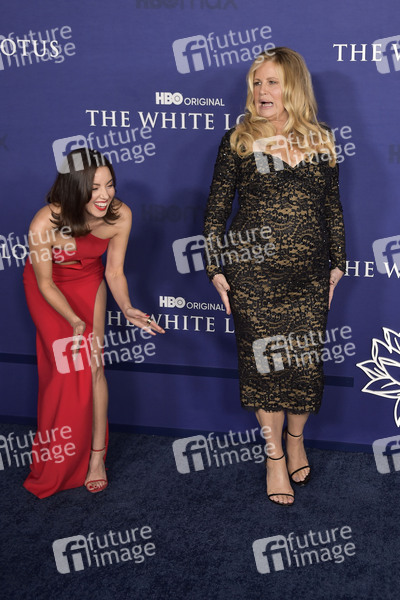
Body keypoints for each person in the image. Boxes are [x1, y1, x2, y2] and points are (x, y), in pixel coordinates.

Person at [203, 47, 346, 506]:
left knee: (303, 366)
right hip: (253, 277)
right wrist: (215, 267)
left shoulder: (321, 140)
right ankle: (274, 458)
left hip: (309, 278)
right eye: (257, 82)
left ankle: (296, 441)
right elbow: (216, 210)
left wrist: (338, 263)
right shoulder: (238, 141)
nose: (262, 90)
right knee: (265, 370)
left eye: (272, 82)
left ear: (293, 88)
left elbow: (332, 208)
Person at [23, 148, 164, 498]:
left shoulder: (120, 215)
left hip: (88, 280)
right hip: (50, 289)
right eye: (94, 187)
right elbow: (45, 284)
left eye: (110, 185)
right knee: (64, 372)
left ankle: (97, 457)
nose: (105, 195)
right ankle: (59, 457)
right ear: (74, 188)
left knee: (93, 365)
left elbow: (114, 271)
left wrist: (127, 307)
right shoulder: (44, 222)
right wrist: (74, 320)